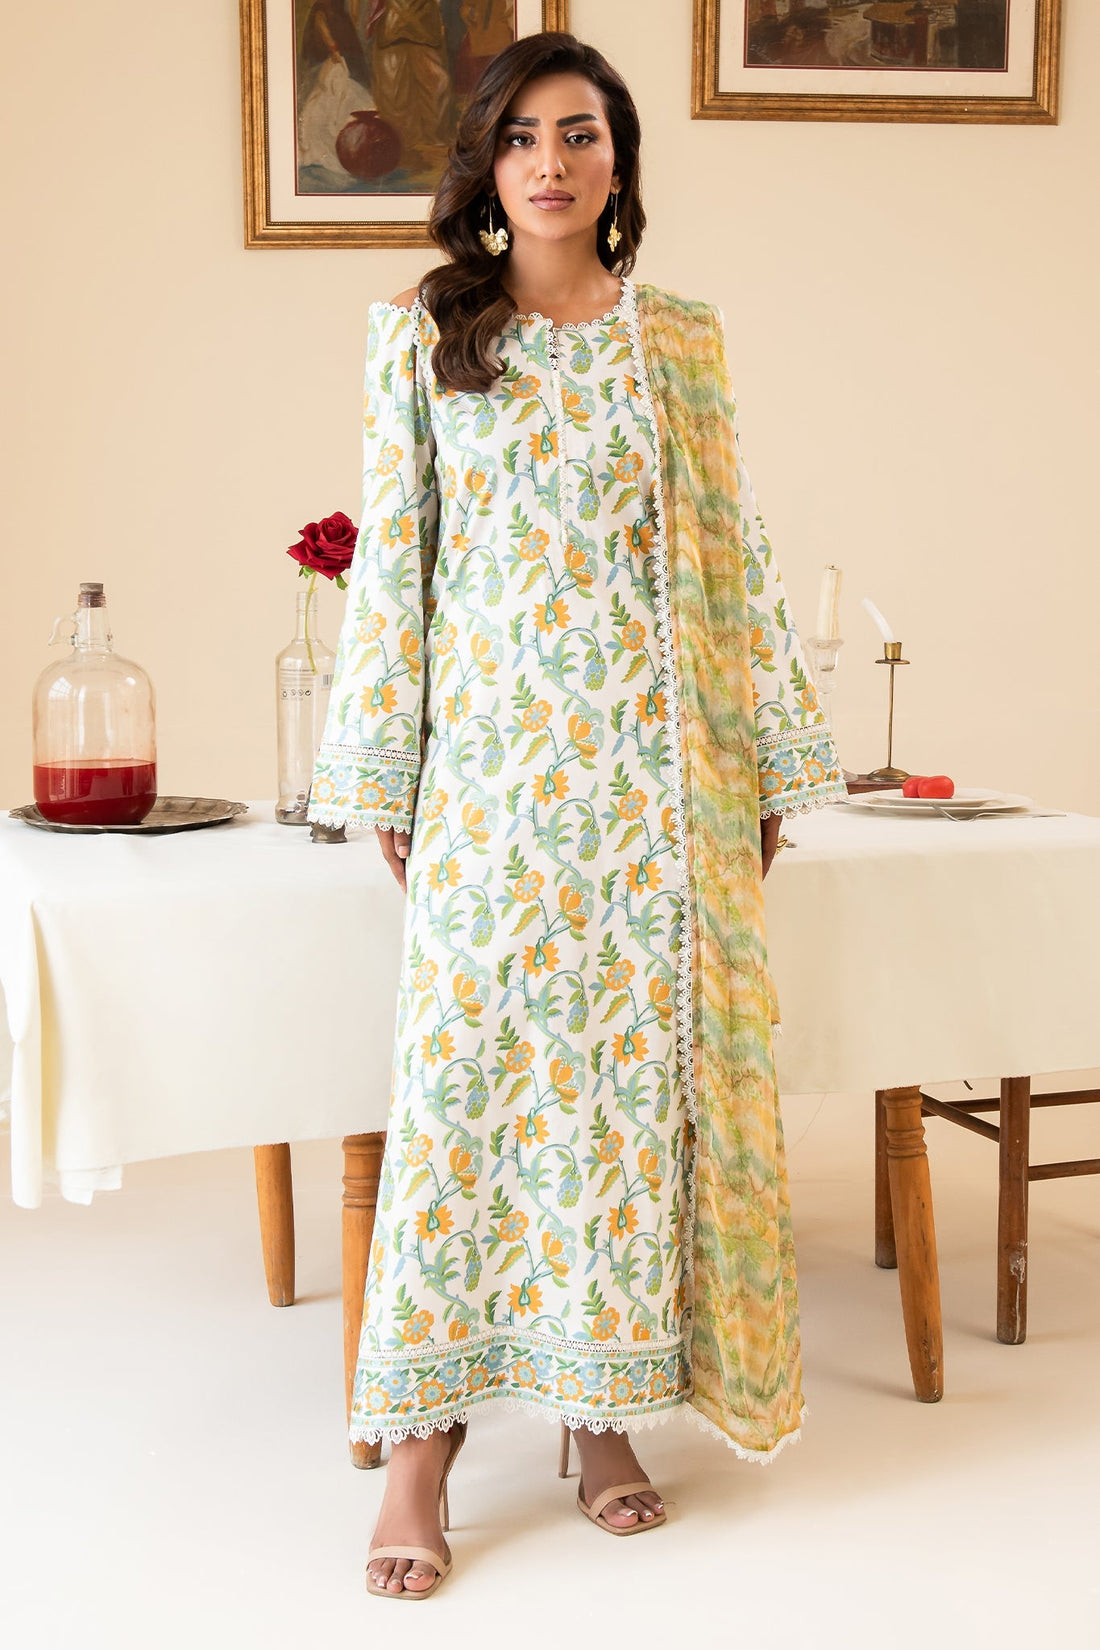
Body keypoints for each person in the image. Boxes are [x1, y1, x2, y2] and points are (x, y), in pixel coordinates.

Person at [308, 31, 846, 1600]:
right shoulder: (425, 336)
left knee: (615, 1106)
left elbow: (734, 555)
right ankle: (420, 1450)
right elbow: (396, 573)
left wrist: (763, 770)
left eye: (583, 134)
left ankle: (600, 1413)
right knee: (464, 1092)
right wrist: (388, 775)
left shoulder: (676, 342)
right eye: (525, 136)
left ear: (620, 164)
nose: (553, 163)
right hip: (490, 787)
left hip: (651, 788)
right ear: (486, 163)